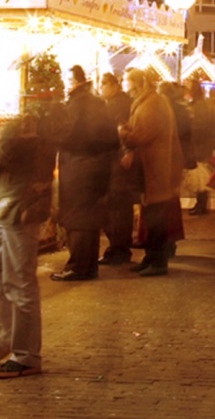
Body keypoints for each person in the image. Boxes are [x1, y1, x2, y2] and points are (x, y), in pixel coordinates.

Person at [0, 113, 55, 379]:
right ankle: (5, 336)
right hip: (7, 207)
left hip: (19, 210)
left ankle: (27, 356)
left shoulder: (29, 138)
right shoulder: (22, 135)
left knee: (20, 282)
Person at [51, 66, 117, 282]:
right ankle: (87, 266)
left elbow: (71, 135)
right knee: (89, 217)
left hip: (80, 167)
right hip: (97, 167)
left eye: (65, 79)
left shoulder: (78, 104)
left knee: (78, 218)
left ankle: (78, 266)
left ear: (73, 80)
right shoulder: (96, 101)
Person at [118, 68, 184, 276]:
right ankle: (151, 257)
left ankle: (158, 261)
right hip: (152, 168)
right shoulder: (148, 101)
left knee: (157, 217)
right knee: (152, 215)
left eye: (126, 80)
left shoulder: (152, 104)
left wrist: (123, 132)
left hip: (156, 168)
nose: (123, 83)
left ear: (136, 83)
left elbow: (142, 135)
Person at [98, 71, 137, 266]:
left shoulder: (116, 105)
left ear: (113, 86)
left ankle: (118, 248)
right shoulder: (121, 102)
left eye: (103, 84)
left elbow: (113, 133)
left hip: (118, 162)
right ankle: (121, 246)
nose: (101, 88)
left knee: (116, 207)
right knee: (120, 207)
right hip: (120, 160)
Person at [187, 82, 215, 215]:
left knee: (200, 176)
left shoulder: (199, 106)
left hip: (200, 145)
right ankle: (200, 203)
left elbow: (199, 126)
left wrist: (190, 130)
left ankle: (201, 205)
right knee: (201, 175)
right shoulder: (203, 104)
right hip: (204, 144)